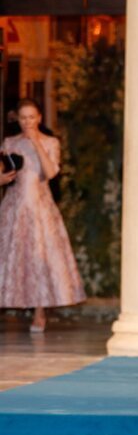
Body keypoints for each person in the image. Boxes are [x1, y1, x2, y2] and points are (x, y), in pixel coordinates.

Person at [0, 98, 85, 331]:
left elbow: (50, 172)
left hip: (40, 206)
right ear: (18, 119)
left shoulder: (50, 142)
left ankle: (39, 314)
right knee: (11, 259)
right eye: (23, 117)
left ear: (39, 118)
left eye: (31, 117)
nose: (27, 121)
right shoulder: (9, 142)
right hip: (14, 206)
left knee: (40, 259)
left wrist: (36, 143)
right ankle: (10, 304)